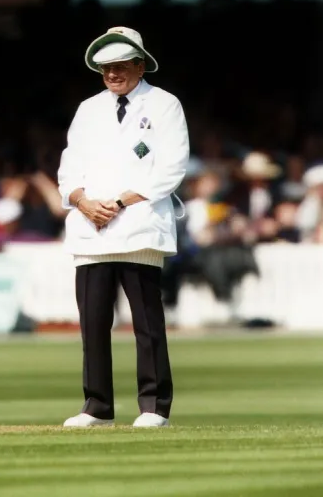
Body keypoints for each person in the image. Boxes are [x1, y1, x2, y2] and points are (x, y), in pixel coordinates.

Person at [58, 26, 189, 428]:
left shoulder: (164, 104)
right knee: (93, 323)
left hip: (140, 225)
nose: (112, 74)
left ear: (138, 63)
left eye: (119, 66)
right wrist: (83, 202)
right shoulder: (88, 108)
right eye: (105, 68)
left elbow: (172, 168)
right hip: (90, 228)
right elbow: (68, 166)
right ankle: (96, 406)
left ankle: (153, 406)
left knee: (147, 323)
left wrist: (117, 202)